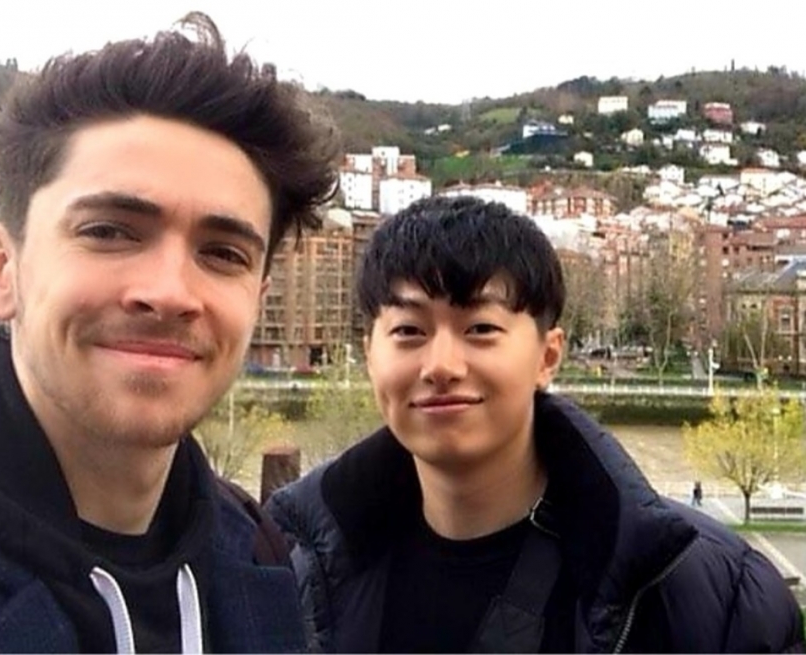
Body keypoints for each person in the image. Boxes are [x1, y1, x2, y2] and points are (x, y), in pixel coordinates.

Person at [0, 12, 340, 653]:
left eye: (223, 253)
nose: (169, 292)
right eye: (108, 231)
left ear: (258, 297)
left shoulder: (258, 557)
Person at [267, 196, 805, 653]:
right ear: (369, 354)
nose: (441, 366)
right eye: (409, 331)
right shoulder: (295, 573)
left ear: (548, 357)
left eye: (480, 328)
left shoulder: (710, 597)